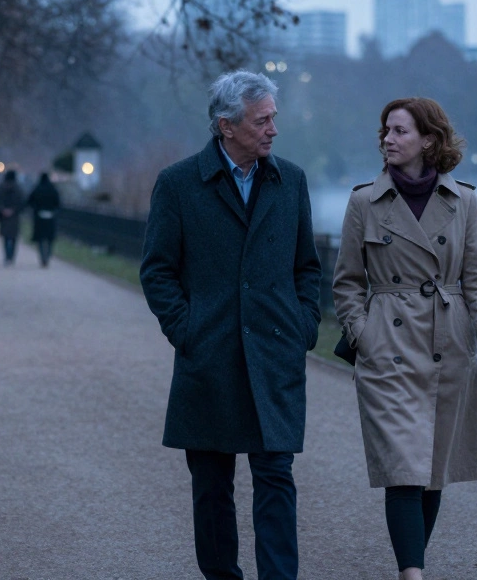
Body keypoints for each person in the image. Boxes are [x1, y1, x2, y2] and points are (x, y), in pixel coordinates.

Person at [140, 70, 321, 580]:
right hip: (210, 357)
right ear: (226, 126)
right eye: (262, 121)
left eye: (273, 119)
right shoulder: (178, 184)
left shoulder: (291, 180)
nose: (272, 130)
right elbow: (157, 270)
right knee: (212, 489)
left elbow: (307, 267)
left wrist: (303, 325)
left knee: (276, 480)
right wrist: (187, 329)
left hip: (274, 355)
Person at [330, 97, 477, 580]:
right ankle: (413, 574)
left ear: (429, 139)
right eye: (385, 130)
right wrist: (362, 334)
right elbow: (347, 281)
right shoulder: (364, 201)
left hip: (448, 344)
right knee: (402, 468)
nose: (388, 138)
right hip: (387, 346)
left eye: (400, 131)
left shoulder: (463, 201)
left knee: (432, 471)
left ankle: (412, 566)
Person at [0, 169, 26, 266]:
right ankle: (11, 256)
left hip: (3, 217)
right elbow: (22, 203)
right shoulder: (19, 189)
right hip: (14, 216)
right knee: (14, 238)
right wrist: (14, 210)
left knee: (5, 238)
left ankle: (7, 255)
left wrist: (2, 210)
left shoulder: (0, 188)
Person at [26, 172, 60, 268]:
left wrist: (36, 208)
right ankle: (48, 256)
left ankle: (42, 257)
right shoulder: (53, 189)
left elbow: (29, 201)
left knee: (40, 238)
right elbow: (58, 203)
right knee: (49, 238)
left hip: (39, 217)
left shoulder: (37, 189)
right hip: (51, 217)